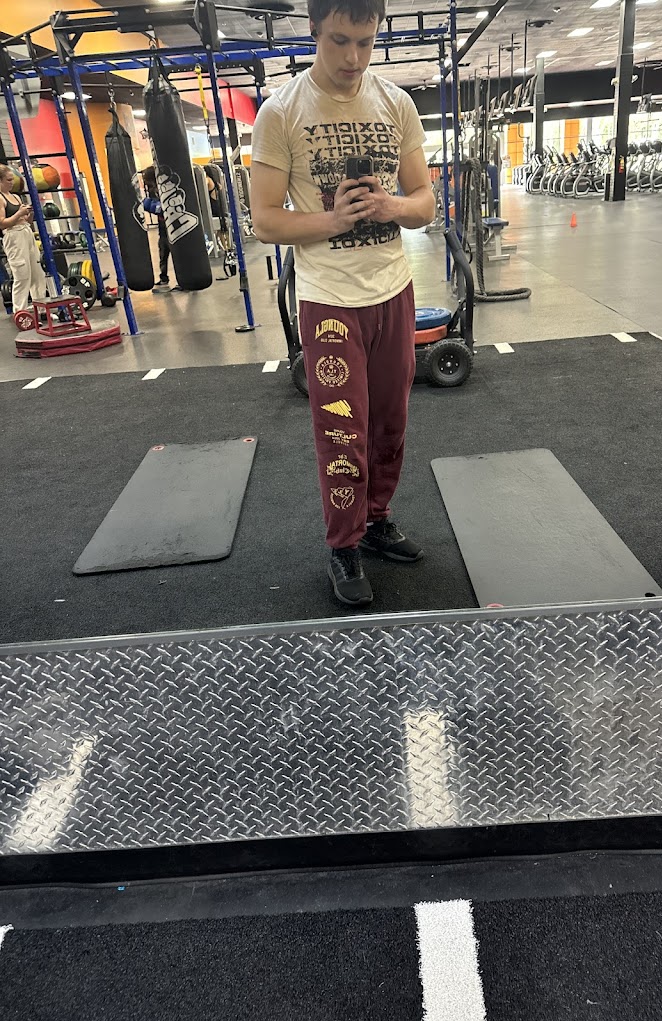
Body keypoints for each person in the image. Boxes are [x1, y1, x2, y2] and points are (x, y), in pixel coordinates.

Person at [250, 0, 435, 608]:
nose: (353, 58)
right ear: (314, 31)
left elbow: (425, 202)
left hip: (393, 290)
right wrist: (333, 220)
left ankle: (377, 520)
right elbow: (264, 220)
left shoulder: (396, 103)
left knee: (390, 421)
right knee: (341, 430)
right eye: (338, 41)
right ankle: (345, 544)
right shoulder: (282, 112)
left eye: (364, 41)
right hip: (328, 297)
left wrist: (390, 207)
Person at [0, 164, 46, 314]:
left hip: (26, 232)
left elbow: (26, 221)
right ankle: (20, 313)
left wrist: (29, 214)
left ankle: (41, 310)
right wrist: (19, 214)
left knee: (37, 274)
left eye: (12, 179)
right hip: (13, 236)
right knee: (22, 276)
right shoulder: (0, 198)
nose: (12, 183)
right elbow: (2, 223)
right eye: (8, 180)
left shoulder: (16, 197)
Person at [141, 165, 171, 287]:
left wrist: (154, 206)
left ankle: (183, 278)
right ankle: (163, 278)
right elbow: (154, 207)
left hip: (172, 227)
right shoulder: (152, 191)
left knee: (178, 255)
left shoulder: (166, 188)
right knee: (163, 254)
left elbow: (163, 208)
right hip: (162, 228)